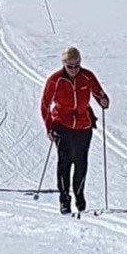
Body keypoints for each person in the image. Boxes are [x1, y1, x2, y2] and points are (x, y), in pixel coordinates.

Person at [40, 46, 109, 215]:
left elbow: (99, 93)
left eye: (76, 65)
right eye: (70, 66)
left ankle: (79, 195)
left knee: (81, 162)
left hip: (83, 125)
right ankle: (64, 198)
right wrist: (49, 127)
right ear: (64, 64)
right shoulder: (55, 80)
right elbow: (45, 105)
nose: (73, 69)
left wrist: (103, 100)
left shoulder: (87, 76)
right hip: (62, 125)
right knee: (65, 161)